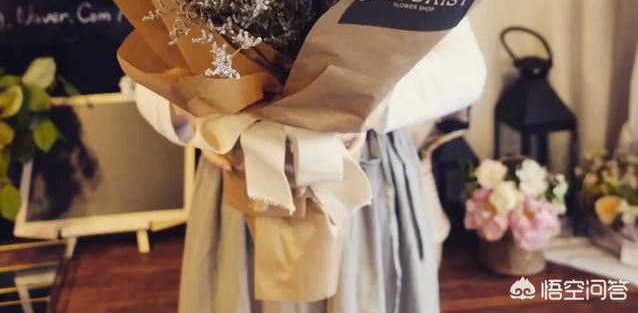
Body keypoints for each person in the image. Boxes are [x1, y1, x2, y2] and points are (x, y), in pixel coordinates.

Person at [136, 19, 486, 313]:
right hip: (240, 181)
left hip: (363, 184)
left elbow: (465, 70)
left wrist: (367, 103)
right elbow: (149, 77)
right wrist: (192, 117)